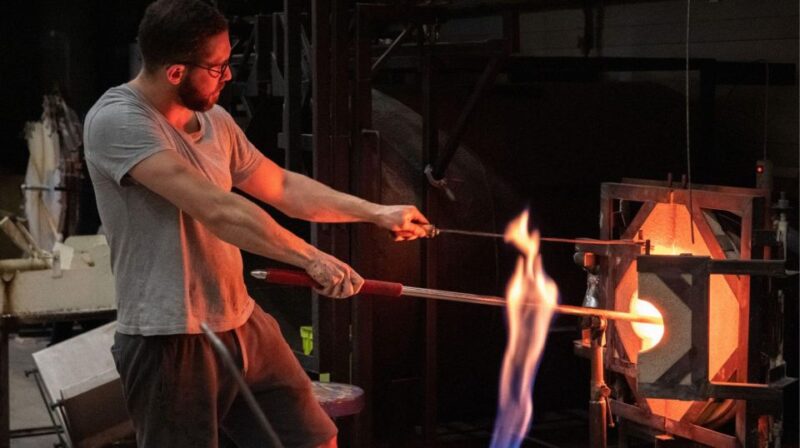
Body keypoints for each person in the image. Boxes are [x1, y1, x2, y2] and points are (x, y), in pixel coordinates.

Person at [83, 1, 429, 447]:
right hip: (169, 337)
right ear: (174, 73)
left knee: (314, 439)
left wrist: (375, 212)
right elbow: (218, 210)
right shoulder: (118, 122)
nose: (228, 76)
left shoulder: (216, 121)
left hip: (241, 320)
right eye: (218, 67)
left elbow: (283, 186)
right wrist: (310, 257)